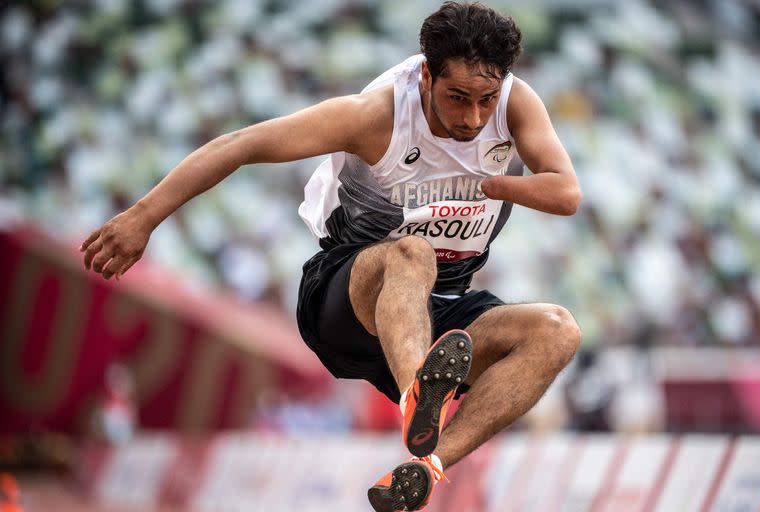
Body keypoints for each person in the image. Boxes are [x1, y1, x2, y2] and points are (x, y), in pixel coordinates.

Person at [80, 2, 582, 510]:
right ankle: (418, 396)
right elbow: (241, 143)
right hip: (350, 293)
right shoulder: (377, 116)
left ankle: (427, 465)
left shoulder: (515, 106)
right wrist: (142, 217)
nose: (473, 119)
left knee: (558, 329)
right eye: (457, 98)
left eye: (485, 100)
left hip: (444, 304)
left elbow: (566, 194)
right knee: (413, 252)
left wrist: (486, 184)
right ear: (427, 76)